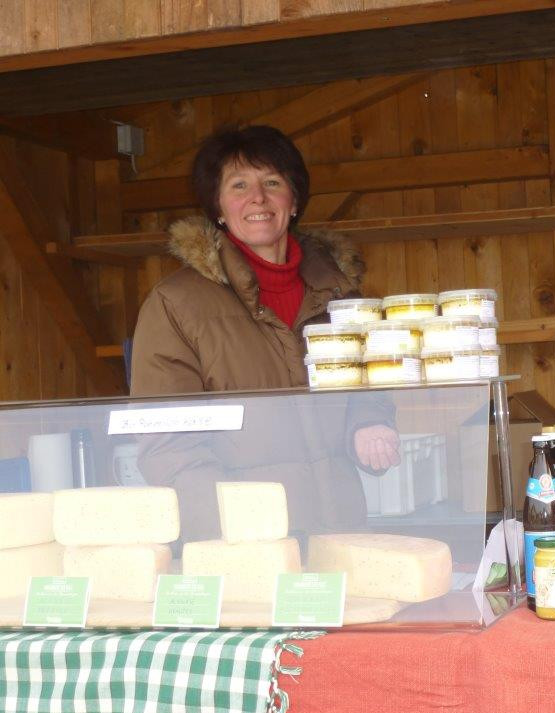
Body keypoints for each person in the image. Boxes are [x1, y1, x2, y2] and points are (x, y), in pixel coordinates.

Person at [131, 124, 399, 541]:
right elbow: (167, 444)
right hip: (243, 543)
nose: (257, 197)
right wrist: (235, 524)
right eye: (239, 185)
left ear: (293, 202)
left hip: (340, 532)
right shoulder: (175, 304)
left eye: (272, 182)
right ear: (218, 208)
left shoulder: (340, 294)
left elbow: (368, 387)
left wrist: (368, 422)